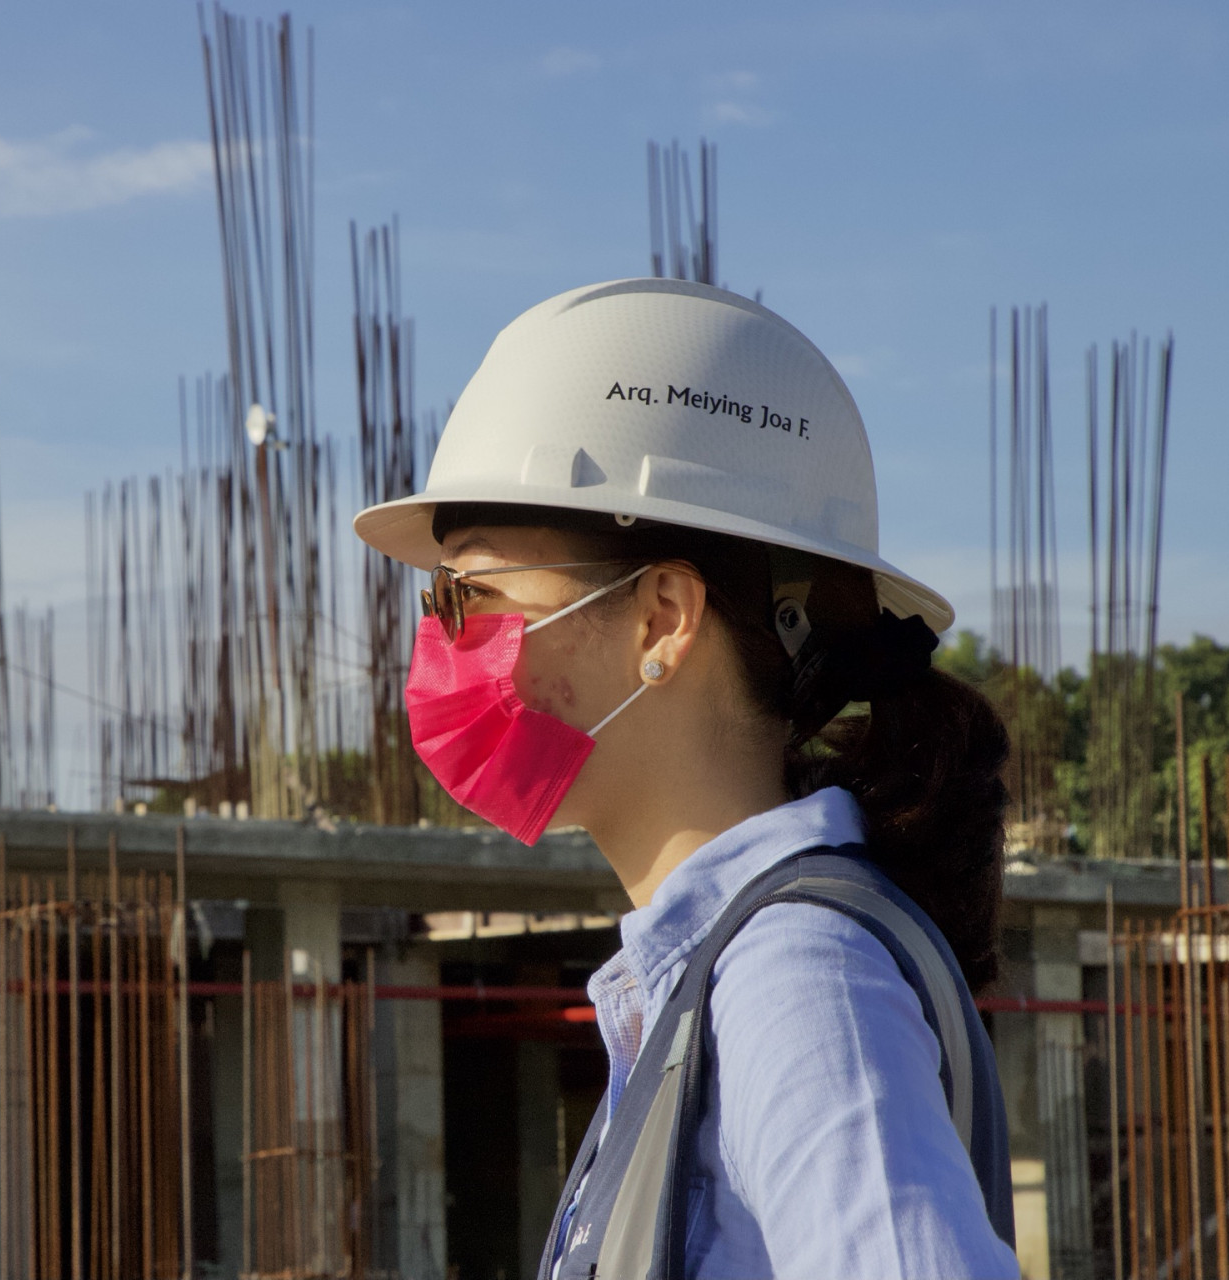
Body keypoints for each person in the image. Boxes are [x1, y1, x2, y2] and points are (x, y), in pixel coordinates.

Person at [354, 279, 1021, 1279]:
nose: (442, 645)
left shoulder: (796, 978)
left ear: (662, 617)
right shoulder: (702, 984)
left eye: (473, 596)